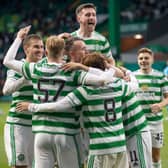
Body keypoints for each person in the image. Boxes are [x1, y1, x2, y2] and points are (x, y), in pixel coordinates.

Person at [3, 26, 113, 168]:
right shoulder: (73, 72)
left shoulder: (36, 70)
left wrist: (19, 37)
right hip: (66, 132)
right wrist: (95, 67)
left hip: (41, 133)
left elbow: (7, 61)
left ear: (46, 51)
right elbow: (103, 80)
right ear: (64, 52)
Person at [17, 53, 152, 168]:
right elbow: (135, 85)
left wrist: (31, 106)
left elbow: (58, 106)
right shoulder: (119, 85)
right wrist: (124, 71)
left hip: (100, 148)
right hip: (120, 146)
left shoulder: (85, 91)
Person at [2, 26, 44, 168]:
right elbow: (6, 90)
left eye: (42, 47)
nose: (40, 50)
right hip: (18, 125)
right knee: (20, 166)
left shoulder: (44, 68)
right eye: (36, 47)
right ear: (26, 49)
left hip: (38, 126)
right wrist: (24, 80)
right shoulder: (18, 66)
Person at [133, 48, 168, 168]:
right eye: (141, 58)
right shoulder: (133, 77)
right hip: (138, 123)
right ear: (137, 61)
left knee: (155, 155)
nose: (143, 60)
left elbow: (167, 97)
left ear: (152, 60)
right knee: (139, 155)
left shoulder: (160, 76)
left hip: (155, 122)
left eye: (146, 58)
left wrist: (160, 105)